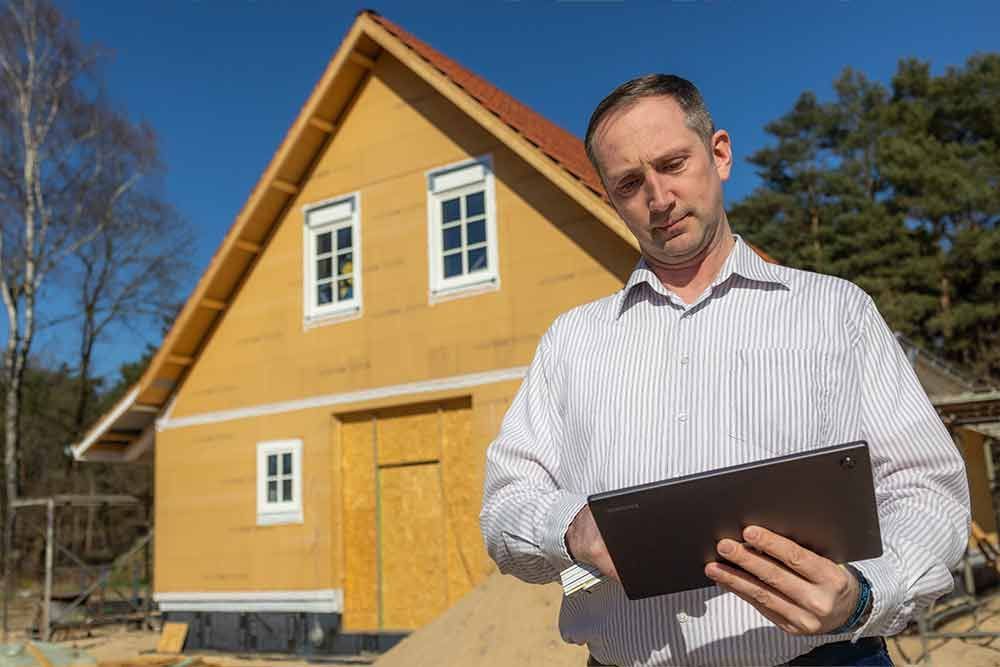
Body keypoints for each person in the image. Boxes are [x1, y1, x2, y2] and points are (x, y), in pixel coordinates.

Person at [479, 74, 970, 667]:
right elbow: (506, 506)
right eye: (630, 182)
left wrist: (866, 593)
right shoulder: (571, 342)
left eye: (672, 163)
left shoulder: (836, 311)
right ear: (610, 195)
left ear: (720, 154)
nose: (658, 198)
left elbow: (927, 488)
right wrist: (570, 529)